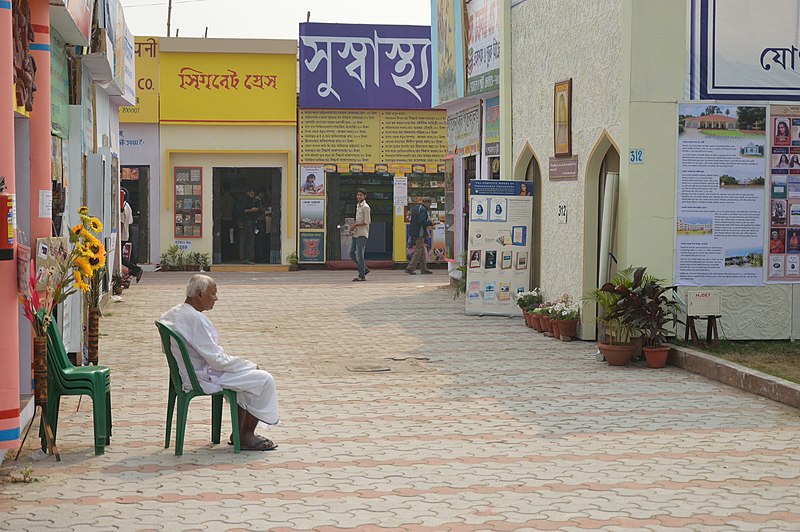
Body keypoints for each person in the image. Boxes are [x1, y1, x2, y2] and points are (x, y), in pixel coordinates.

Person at [160, 275, 280, 451]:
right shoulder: (195, 319)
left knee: (247, 377)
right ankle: (246, 435)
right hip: (202, 376)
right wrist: (248, 365)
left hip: (187, 372)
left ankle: (239, 433)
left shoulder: (173, 312)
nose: (216, 298)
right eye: (213, 293)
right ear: (200, 294)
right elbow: (217, 360)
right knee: (263, 379)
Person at [406, 198, 438, 275]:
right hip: (419, 233)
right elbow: (421, 221)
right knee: (418, 251)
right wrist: (431, 223)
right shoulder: (423, 210)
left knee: (422, 251)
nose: (430, 206)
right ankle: (410, 268)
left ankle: (424, 269)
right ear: (427, 203)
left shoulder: (416, 207)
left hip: (413, 232)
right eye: (430, 204)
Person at [120, 189, 143, 282]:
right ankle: (132, 271)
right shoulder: (128, 206)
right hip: (126, 234)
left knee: (119, 258)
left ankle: (136, 269)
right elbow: (130, 221)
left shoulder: (123, 208)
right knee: (120, 257)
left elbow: (121, 223)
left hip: (121, 235)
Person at [349, 188, 371, 282]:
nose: (359, 196)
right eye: (358, 195)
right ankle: (364, 269)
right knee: (351, 253)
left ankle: (361, 275)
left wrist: (356, 225)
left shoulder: (366, 207)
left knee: (359, 254)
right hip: (356, 233)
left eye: (361, 195)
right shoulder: (358, 206)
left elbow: (367, 221)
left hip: (362, 233)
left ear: (365, 196)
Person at [241, 188, 261, 265]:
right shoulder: (244, 200)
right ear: (248, 193)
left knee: (252, 240)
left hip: (255, 221)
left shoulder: (257, 200)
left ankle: (252, 257)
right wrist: (251, 210)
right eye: (251, 194)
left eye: (253, 194)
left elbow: (260, 209)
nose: (252, 196)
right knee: (248, 240)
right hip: (248, 221)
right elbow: (242, 211)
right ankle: (246, 258)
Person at [220, 183, 235, 261]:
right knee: (229, 239)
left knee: (224, 239)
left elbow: (222, 209)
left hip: (224, 220)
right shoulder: (231, 198)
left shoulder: (224, 197)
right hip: (230, 220)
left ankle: (225, 256)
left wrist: (219, 217)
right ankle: (229, 255)